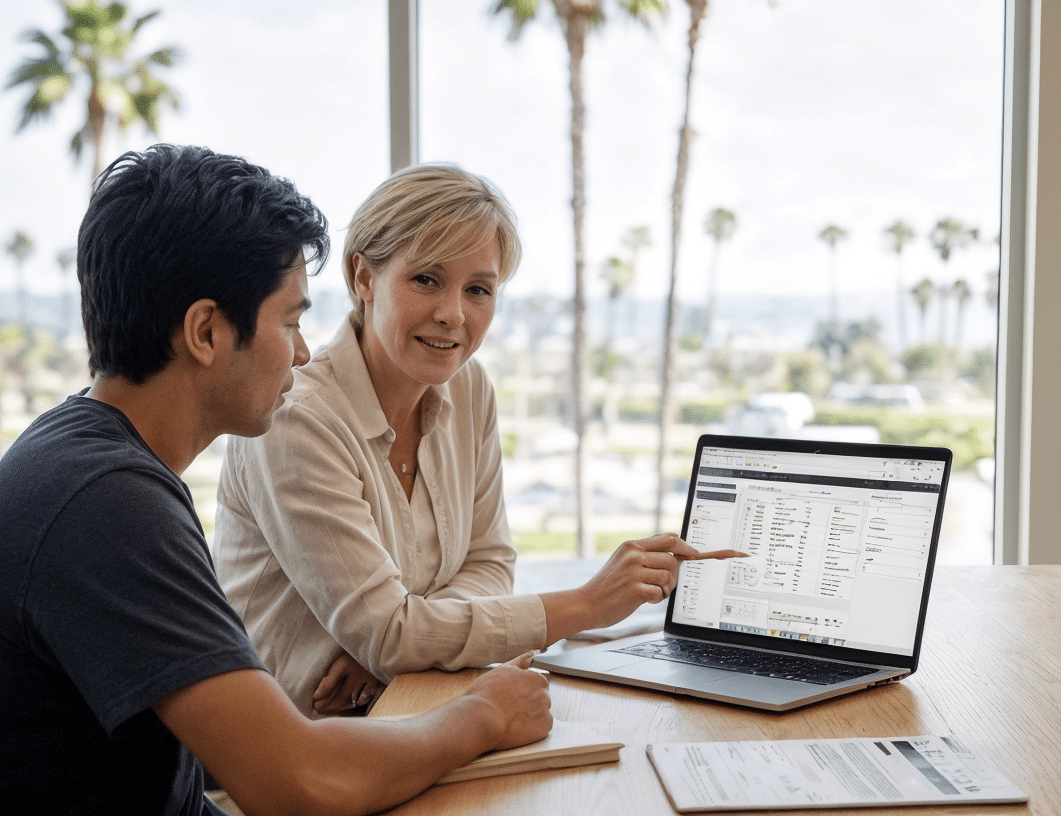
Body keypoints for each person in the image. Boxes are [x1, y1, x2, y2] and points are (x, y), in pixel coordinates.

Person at [0, 144, 552, 816]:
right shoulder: (107, 505)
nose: (299, 351)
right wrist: (482, 718)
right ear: (206, 331)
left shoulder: (87, 461)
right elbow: (299, 780)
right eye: (289, 321)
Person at [213, 163, 742, 717]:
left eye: (479, 290)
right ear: (363, 277)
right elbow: (392, 634)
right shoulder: (297, 420)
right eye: (426, 280)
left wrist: (407, 647)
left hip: (413, 713)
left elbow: (489, 563)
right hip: (293, 757)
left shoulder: (467, 388)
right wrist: (587, 604)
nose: (452, 315)